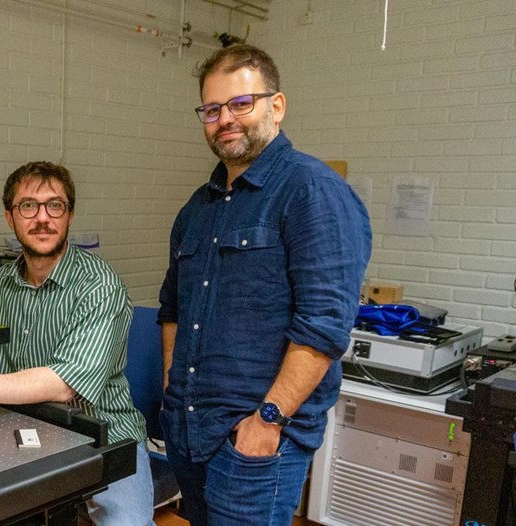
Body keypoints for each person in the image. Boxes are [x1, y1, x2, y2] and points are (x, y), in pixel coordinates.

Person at [157, 44, 371, 525]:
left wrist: (267, 422)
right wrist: (173, 388)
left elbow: (323, 328)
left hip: (255, 444)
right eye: (211, 109)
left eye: (240, 103)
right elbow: (172, 307)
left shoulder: (312, 191)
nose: (224, 119)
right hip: (190, 430)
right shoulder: (198, 207)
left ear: (276, 106)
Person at [0, 161, 154, 526]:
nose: (42, 218)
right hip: (19, 428)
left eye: (54, 205)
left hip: (104, 434)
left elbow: (64, 384)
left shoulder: (99, 286)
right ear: (10, 218)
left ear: (69, 215)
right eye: (28, 206)